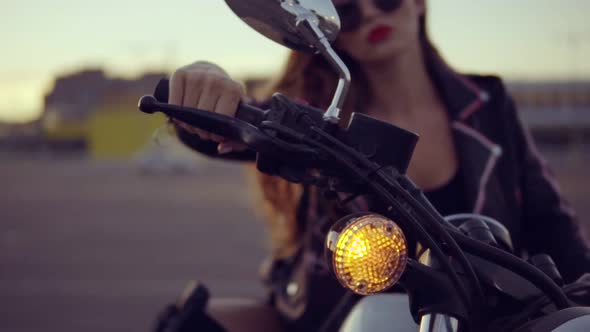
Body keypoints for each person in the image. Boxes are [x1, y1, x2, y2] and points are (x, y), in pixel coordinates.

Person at [168, 0, 590, 330]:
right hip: (343, 316)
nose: (370, 12)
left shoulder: (487, 101)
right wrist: (204, 84)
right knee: (191, 320)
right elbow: (231, 128)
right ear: (329, 31)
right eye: (347, 9)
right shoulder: (317, 115)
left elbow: (549, 219)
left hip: (490, 313)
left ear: (419, 4)